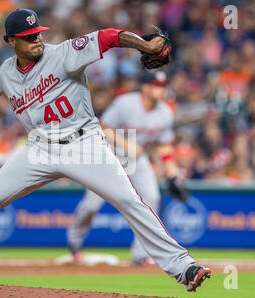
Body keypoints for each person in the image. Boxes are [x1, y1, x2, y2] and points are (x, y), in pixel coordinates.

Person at [0, 8, 210, 292]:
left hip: (84, 144)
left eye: (38, 33)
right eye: (29, 36)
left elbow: (108, 36)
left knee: (130, 201)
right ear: (12, 41)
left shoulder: (63, 53)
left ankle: (183, 267)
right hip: (39, 150)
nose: (37, 40)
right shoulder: (6, 71)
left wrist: (143, 45)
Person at [67, 71, 182, 266]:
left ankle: (140, 254)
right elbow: (102, 127)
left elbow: (165, 145)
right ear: (145, 87)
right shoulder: (126, 103)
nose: (160, 90)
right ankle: (75, 241)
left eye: (163, 86)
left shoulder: (165, 113)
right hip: (108, 155)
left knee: (152, 199)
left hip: (138, 160)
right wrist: (126, 144)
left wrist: (172, 170)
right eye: (156, 85)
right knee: (91, 206)